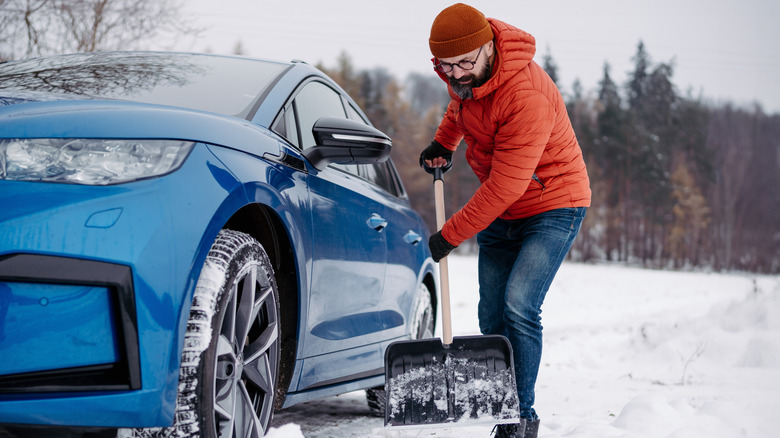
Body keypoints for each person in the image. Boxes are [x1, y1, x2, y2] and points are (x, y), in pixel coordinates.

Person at [420, 3, 591, 437]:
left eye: (463, 63)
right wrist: (444, 143)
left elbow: (505, 185)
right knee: (491, 315)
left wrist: (451, 234)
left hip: (553, 204)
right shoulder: (464, 79)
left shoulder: (525, 95)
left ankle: (520, 418)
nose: (455, 74)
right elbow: (460, 108)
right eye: (445, 66)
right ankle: (503, 406)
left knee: (519, 305)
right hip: (505, 207)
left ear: (488, 49)